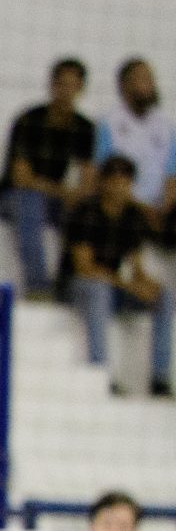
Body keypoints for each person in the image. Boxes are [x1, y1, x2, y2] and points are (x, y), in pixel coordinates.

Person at [63, 155, 173, 397]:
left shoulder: (132, 215)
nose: (118, 187)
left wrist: (146, 285)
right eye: (113, 180)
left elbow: (135, 265)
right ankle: (99, 373)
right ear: (102, 182)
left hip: (113, 287)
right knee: (99, 288)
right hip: (80, 287)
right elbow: (84, 267)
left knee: (164, 295)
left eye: (124, 181)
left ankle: (160, 378)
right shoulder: (86, 211)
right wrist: (129, 285)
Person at [0, 58, 98, 297]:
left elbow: (88, 179)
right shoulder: (29, 120)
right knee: (30, 201)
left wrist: (76, 197)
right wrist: (64, 192)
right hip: (13, 197)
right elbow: (21, 178)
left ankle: (71, 286)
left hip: (51, 199)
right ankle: (38, 287)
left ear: (81, 88)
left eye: (72, 85)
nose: (66, 91)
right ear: (52, 85)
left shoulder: (84, 128)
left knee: (85, 212)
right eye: (61, 84)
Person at [101, 59, 172, 241]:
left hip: (161, 208)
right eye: (141, 78)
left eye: (150, 78)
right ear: (124, 85)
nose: (148, 83)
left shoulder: (166, 126)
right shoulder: (108, 123)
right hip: (125, 205)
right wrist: (143, 207)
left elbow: (171, 177)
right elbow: (105, 178)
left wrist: (166, 209)